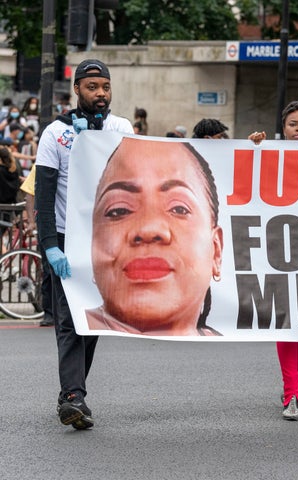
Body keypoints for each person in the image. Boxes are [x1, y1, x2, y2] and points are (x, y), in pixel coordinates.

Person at [35, 59, 134, 430]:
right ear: (77, 90)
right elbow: (44, 198)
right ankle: (74, 395)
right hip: (65, 237)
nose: (100, 95)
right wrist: (49, 246)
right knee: (68, 318)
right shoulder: (54, 134)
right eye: (92, 87)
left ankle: (71, 395)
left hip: (105, 238)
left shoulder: (120, 127)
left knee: (92, 318)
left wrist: (94, 140)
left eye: (105, 87)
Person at [86, 137, 223, 336]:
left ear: (216, 250)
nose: (149, 229)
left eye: (178, 208)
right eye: (118, 211)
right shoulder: (74, 330)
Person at [248, 100, 298, 420]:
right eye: (294, 124)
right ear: (283, 127)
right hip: (279, 250)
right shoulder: (268, 153)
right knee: (287, 323)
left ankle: (293, 382)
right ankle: (293, 393)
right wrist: (251, 149)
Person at [20, 164, 55, 327]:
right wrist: (33, 222)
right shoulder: (41, 166)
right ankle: (50, 312)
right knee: (49, 270)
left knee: (50, 270)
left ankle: (54, 312)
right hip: (49, 225)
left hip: (59, 224)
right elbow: (29, 195)